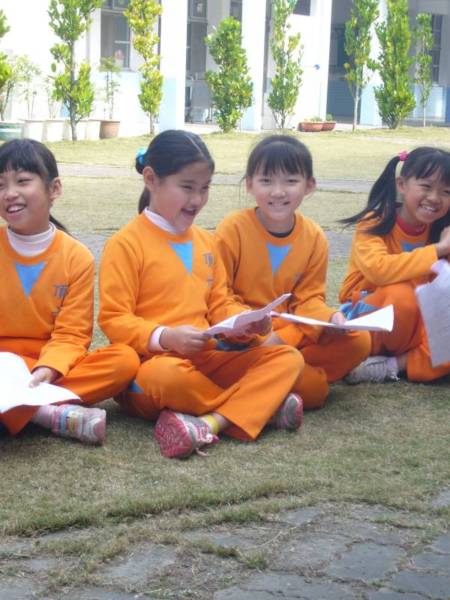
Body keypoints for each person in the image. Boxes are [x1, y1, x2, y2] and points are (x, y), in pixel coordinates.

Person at [98, 130, 304, 459]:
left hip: (207, 360)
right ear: (151, 179)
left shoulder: (207, 242)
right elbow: (114, 319)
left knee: (287, 358)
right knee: (167, 378)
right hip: (152, 368)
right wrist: (166, 336)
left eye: (205, 188)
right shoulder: (125, 244)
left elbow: (220, 303)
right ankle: (260, 406)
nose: (197, 200)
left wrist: (245, 323)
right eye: (187, 187)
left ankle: (211, 422)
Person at [215, 135, 371, 410]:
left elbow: (308, 300)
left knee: (359, 341)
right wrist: (253, 329)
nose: (278, 192)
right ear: (250, 184)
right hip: (242, 340)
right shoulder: (233, 229)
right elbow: (218, 296)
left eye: (290, 181)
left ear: (309, 185)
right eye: (266, 181)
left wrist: (330, 317)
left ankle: (270, 381)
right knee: (314, 389)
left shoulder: (314, 236)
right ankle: (279, 382)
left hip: (288, 335)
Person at [0, 139, 139, 444]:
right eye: (0, 185)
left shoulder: (77, 257)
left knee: (124, 360)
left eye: (22, 181)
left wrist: (48, 369)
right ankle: (46, 414)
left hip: (49, 367)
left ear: (54, 189)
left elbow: (72, 334)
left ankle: (17, 407)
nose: (9, 193)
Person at [339, 147, 450, 383]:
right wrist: (438, 250)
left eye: (446, 191)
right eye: (426, 186)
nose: (434, 198)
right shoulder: (374, 222)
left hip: (418, 322)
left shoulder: (443, 231)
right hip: (371, 317)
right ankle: (368, 353)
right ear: (402, 184)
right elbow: (379, 270)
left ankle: (394, 365)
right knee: (402, 296)